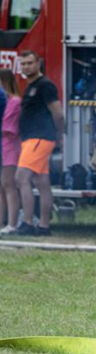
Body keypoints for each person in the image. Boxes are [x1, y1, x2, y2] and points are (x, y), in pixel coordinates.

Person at [15, 51, 64, 236]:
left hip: (39, 137)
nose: (26, 67)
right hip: (32, 138)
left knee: (21, 178)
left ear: (38, 64)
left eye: (29, 63)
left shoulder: (45, 86)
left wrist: (59, 135)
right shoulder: (31, 86)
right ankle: (44, 226)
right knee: (42, 182)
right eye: (23, 64)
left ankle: (27, 222)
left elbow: (57, 113)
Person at [0, 70, 16, 235]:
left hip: (9, 146)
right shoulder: (8, 99)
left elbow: (8, 128)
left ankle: (11, 223)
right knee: (2, 187)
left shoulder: (12, 101)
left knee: (9, 185)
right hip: (4, 145)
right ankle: (2, 222)